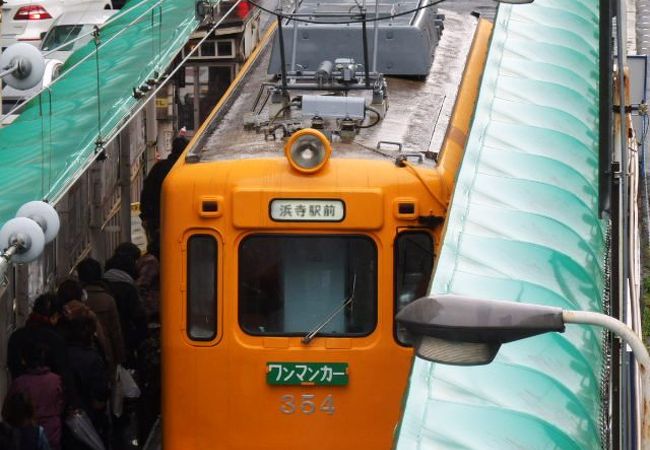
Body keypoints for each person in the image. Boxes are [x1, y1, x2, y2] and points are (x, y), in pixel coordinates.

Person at [61, 301, 109, 446]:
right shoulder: (93, 358)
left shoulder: (62, 354)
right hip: (88, 417)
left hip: (66, 417)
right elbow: (99, 395)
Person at [8, 341, 64, 450]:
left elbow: (9, 407)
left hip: (26, 433)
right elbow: (62, 403)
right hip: (52, 429)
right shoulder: (56, 380)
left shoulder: (19, 383)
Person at [76, 257, 125, 375]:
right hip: (105, 352)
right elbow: (116, 332)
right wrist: (120, 358)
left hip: (80, 353)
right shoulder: (108, 300)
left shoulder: (76, 300)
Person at [140, 136, 188, 247]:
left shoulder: (159, 168)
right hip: (183, 224)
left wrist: (146, 217)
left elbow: (147, 194)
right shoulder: (188, 170)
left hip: (156, 222)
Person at [103, 253, 147, 368]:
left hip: (103, 344)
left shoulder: (102, 286)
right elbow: (138, 317)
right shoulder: (128, 288)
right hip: (126, 340)